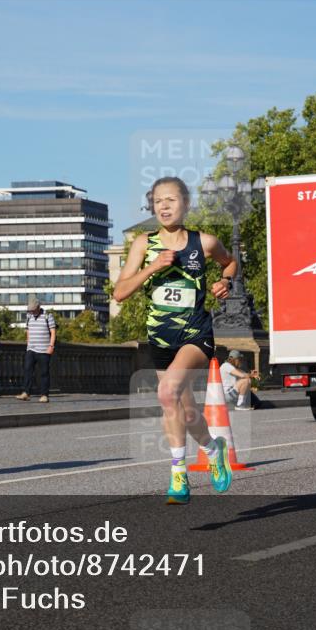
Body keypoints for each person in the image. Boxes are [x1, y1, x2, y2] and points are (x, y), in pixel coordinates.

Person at [113, 176, 236, 504]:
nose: (164, 206)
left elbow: (230, 262)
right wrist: (152, 267)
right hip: (160, 340)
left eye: (171, 200)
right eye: (158, 201)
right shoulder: (144, 243)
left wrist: (225, 282)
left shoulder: (204, 242)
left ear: (186, 204)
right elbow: (120, 293)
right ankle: (213, 449)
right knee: (185, 408)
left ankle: (178, 474)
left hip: (196, 334)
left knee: (166, 393)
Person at [16, 296, 55, 403]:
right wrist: (28, 345)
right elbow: (28, 330)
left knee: (44, 373)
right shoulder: (29, 316)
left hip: (44, 349)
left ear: (38, 307)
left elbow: (53, 332)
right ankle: (26, 393)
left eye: (33, 309)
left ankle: (44, 395)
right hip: (31, 349)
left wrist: (51, 346)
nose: (31, 311)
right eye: (30, 309)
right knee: (27, 371)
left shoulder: (48, 316)